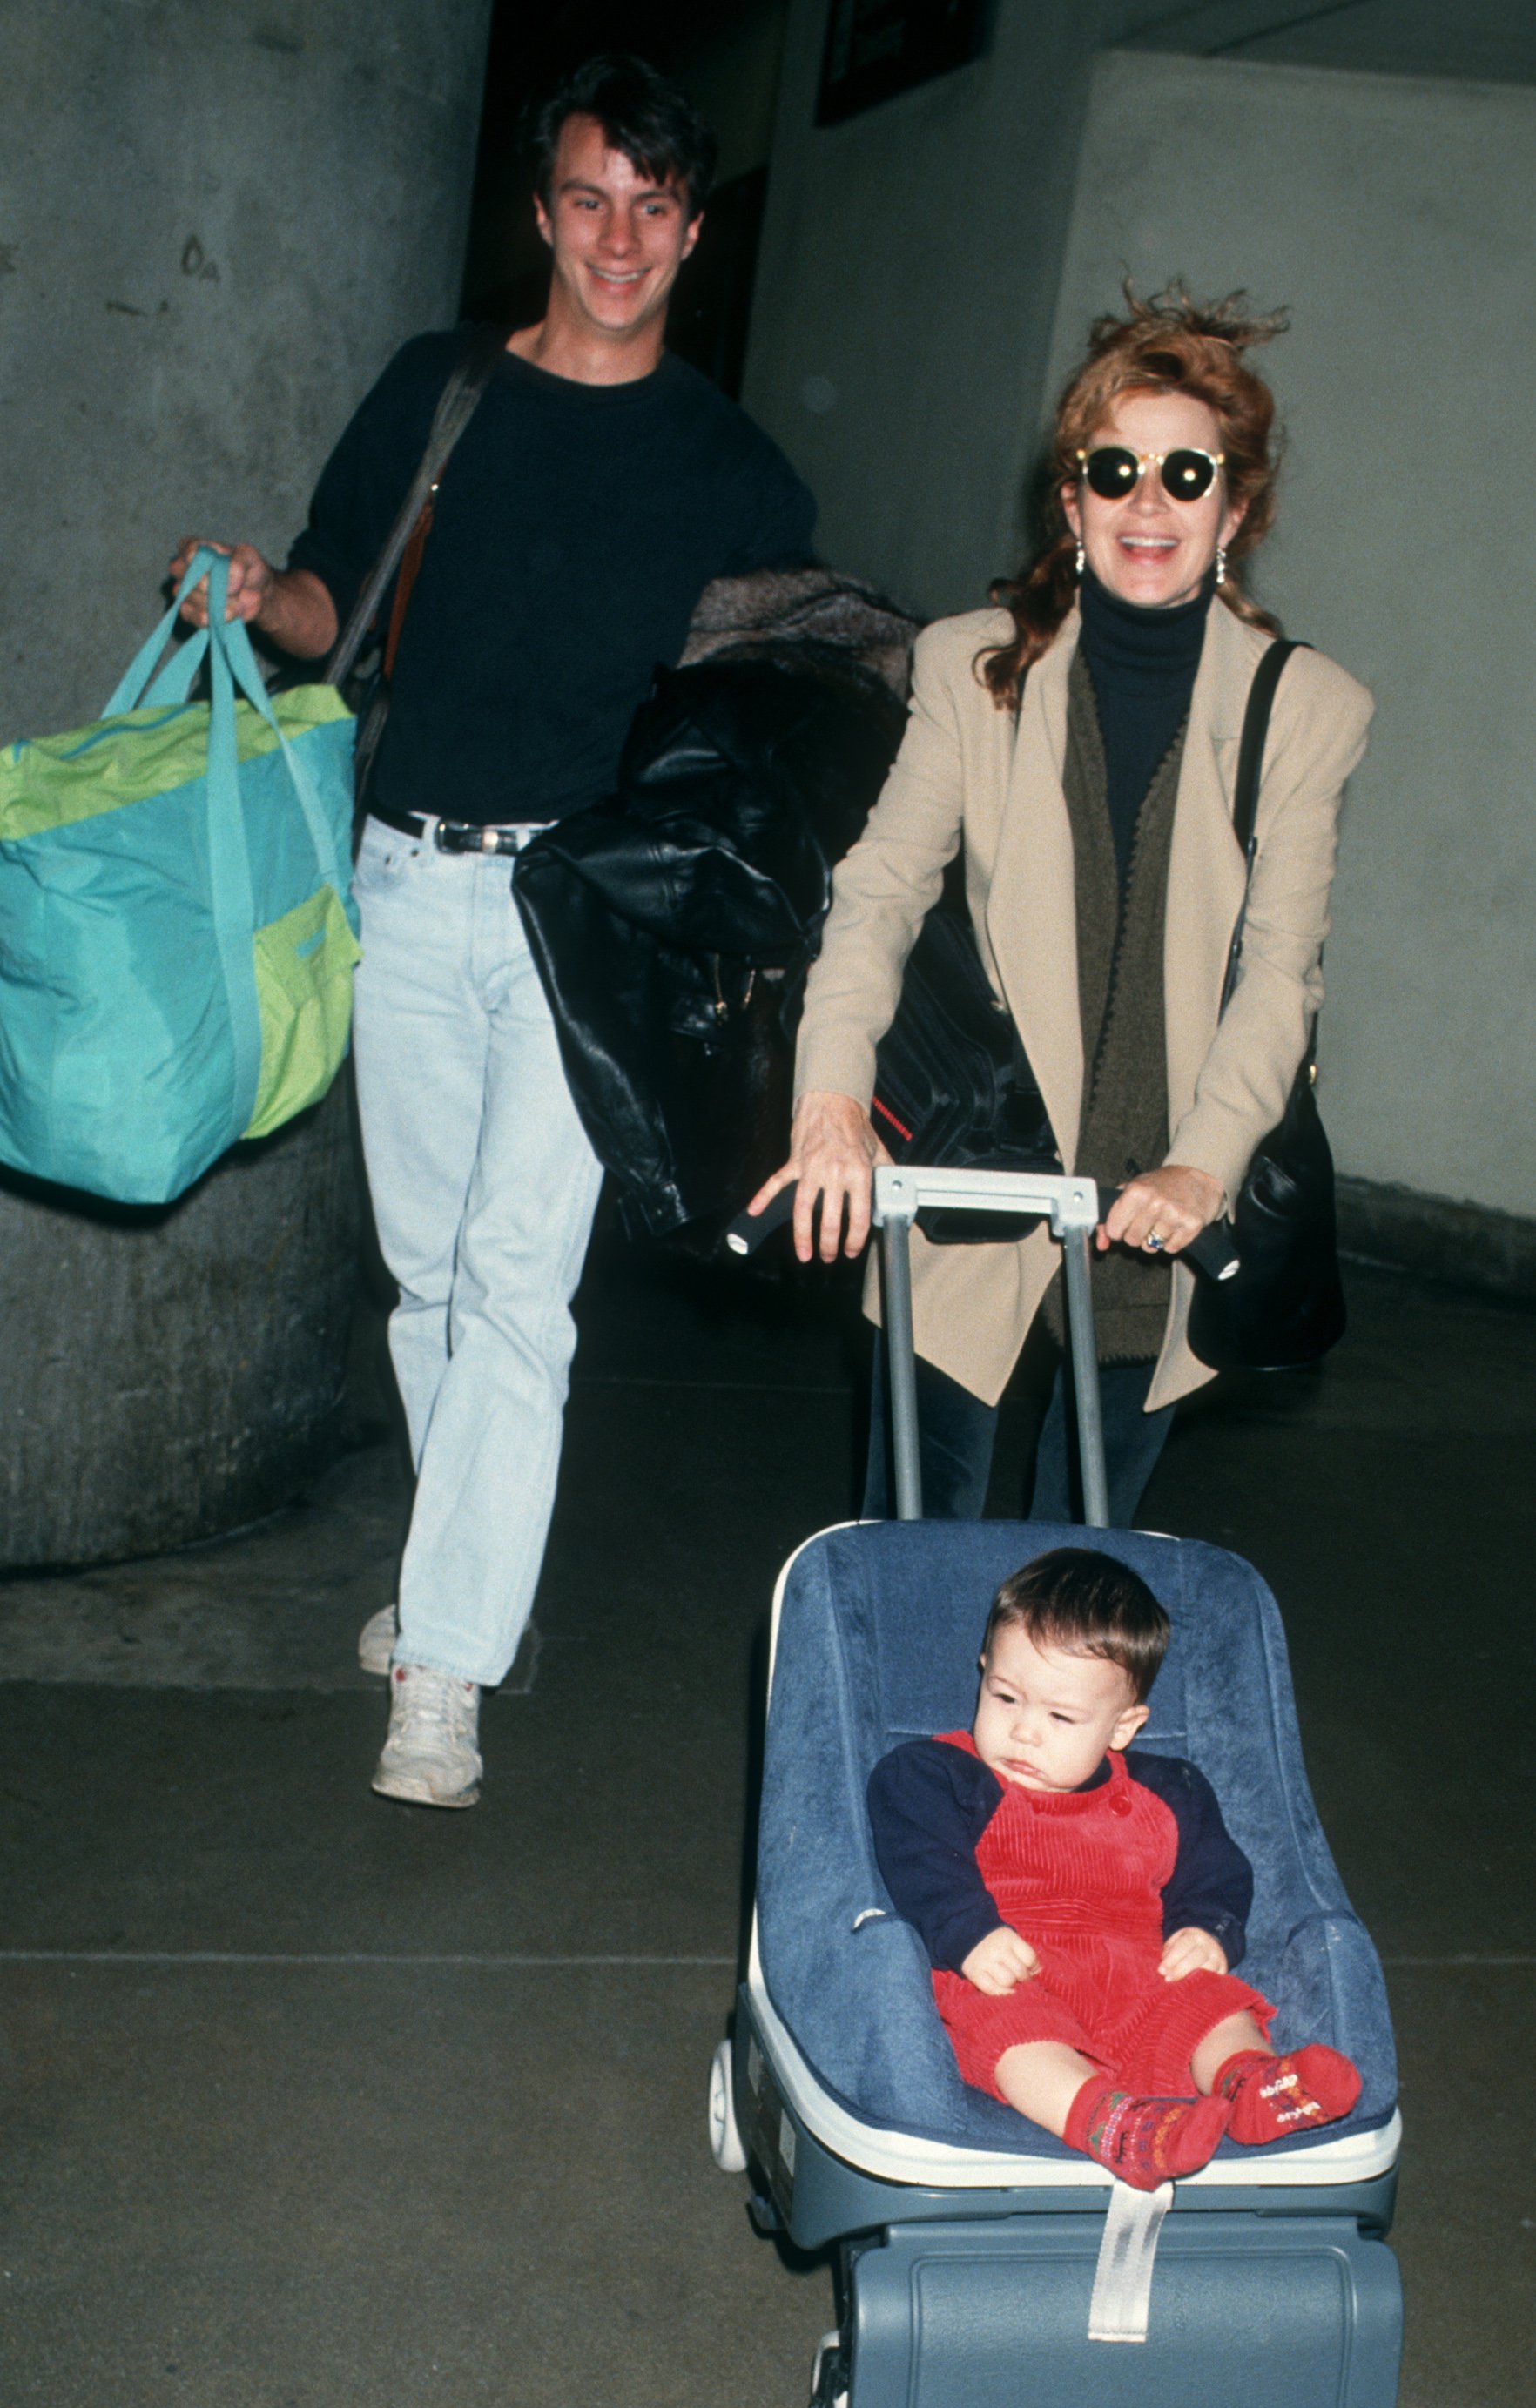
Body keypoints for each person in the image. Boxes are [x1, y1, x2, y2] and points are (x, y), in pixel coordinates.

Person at [170, 57, 816, 1808]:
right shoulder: (437, 393)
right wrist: (252, 592)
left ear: (693, 231)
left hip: (581, 916)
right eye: (590, 200)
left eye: (655, 209)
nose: (620, 238)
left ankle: (447, 1663)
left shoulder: (733, 470)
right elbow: (327, 599)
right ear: (544, 212)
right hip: (404, 872)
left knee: (520, 1292)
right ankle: (466, 1581)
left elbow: (760, 718)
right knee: (433, 1277)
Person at [750, 286, 1373, 1524]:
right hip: (979, 1164)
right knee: (914, 1553)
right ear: (1073, 501)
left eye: (1186, 474)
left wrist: (1202, 1170)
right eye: (1115, 469)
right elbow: (876, 891)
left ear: (1235, 509)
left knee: (1079, 1596)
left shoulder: (1304, 709)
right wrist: (827, 1105)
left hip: (1160, 1192)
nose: (1150, 503)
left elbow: (1280, 969)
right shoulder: (972, 668)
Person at [866, 1548, 1361, 2190]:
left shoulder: (1170, 1790)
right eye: (1006, 1697)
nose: (1023, 1733)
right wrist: (968, 1933)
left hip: (1136, 1970)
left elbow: (1216, 1869)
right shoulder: (939, 1775)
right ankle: (1112, 2123)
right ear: (982, 1671)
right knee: (1006, 2032)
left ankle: (1251, 2081)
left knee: (1206, 1999)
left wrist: (1207, 1929)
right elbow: (920, 1855)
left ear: (1123, 1727)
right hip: (1012, 1968)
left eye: (1061, 1717)